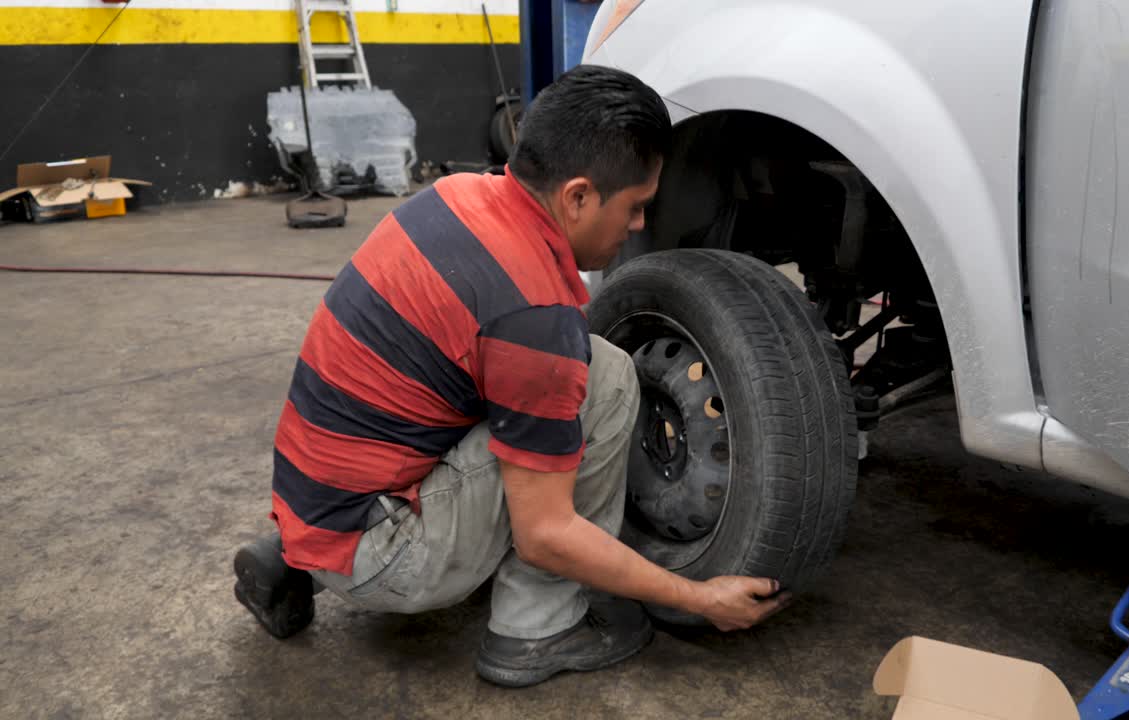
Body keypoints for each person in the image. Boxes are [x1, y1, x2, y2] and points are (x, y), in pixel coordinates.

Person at [232, 65, 790, 688]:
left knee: (512, 380)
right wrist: (699, 597)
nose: (638, 225)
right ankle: (538, 627)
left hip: (313, 499)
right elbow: (546, 535)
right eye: (635, 206)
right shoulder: (533, 317)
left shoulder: (457, 195)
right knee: (604, 379)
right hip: (382, 552)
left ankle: (295, 557)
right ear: (577, 197)